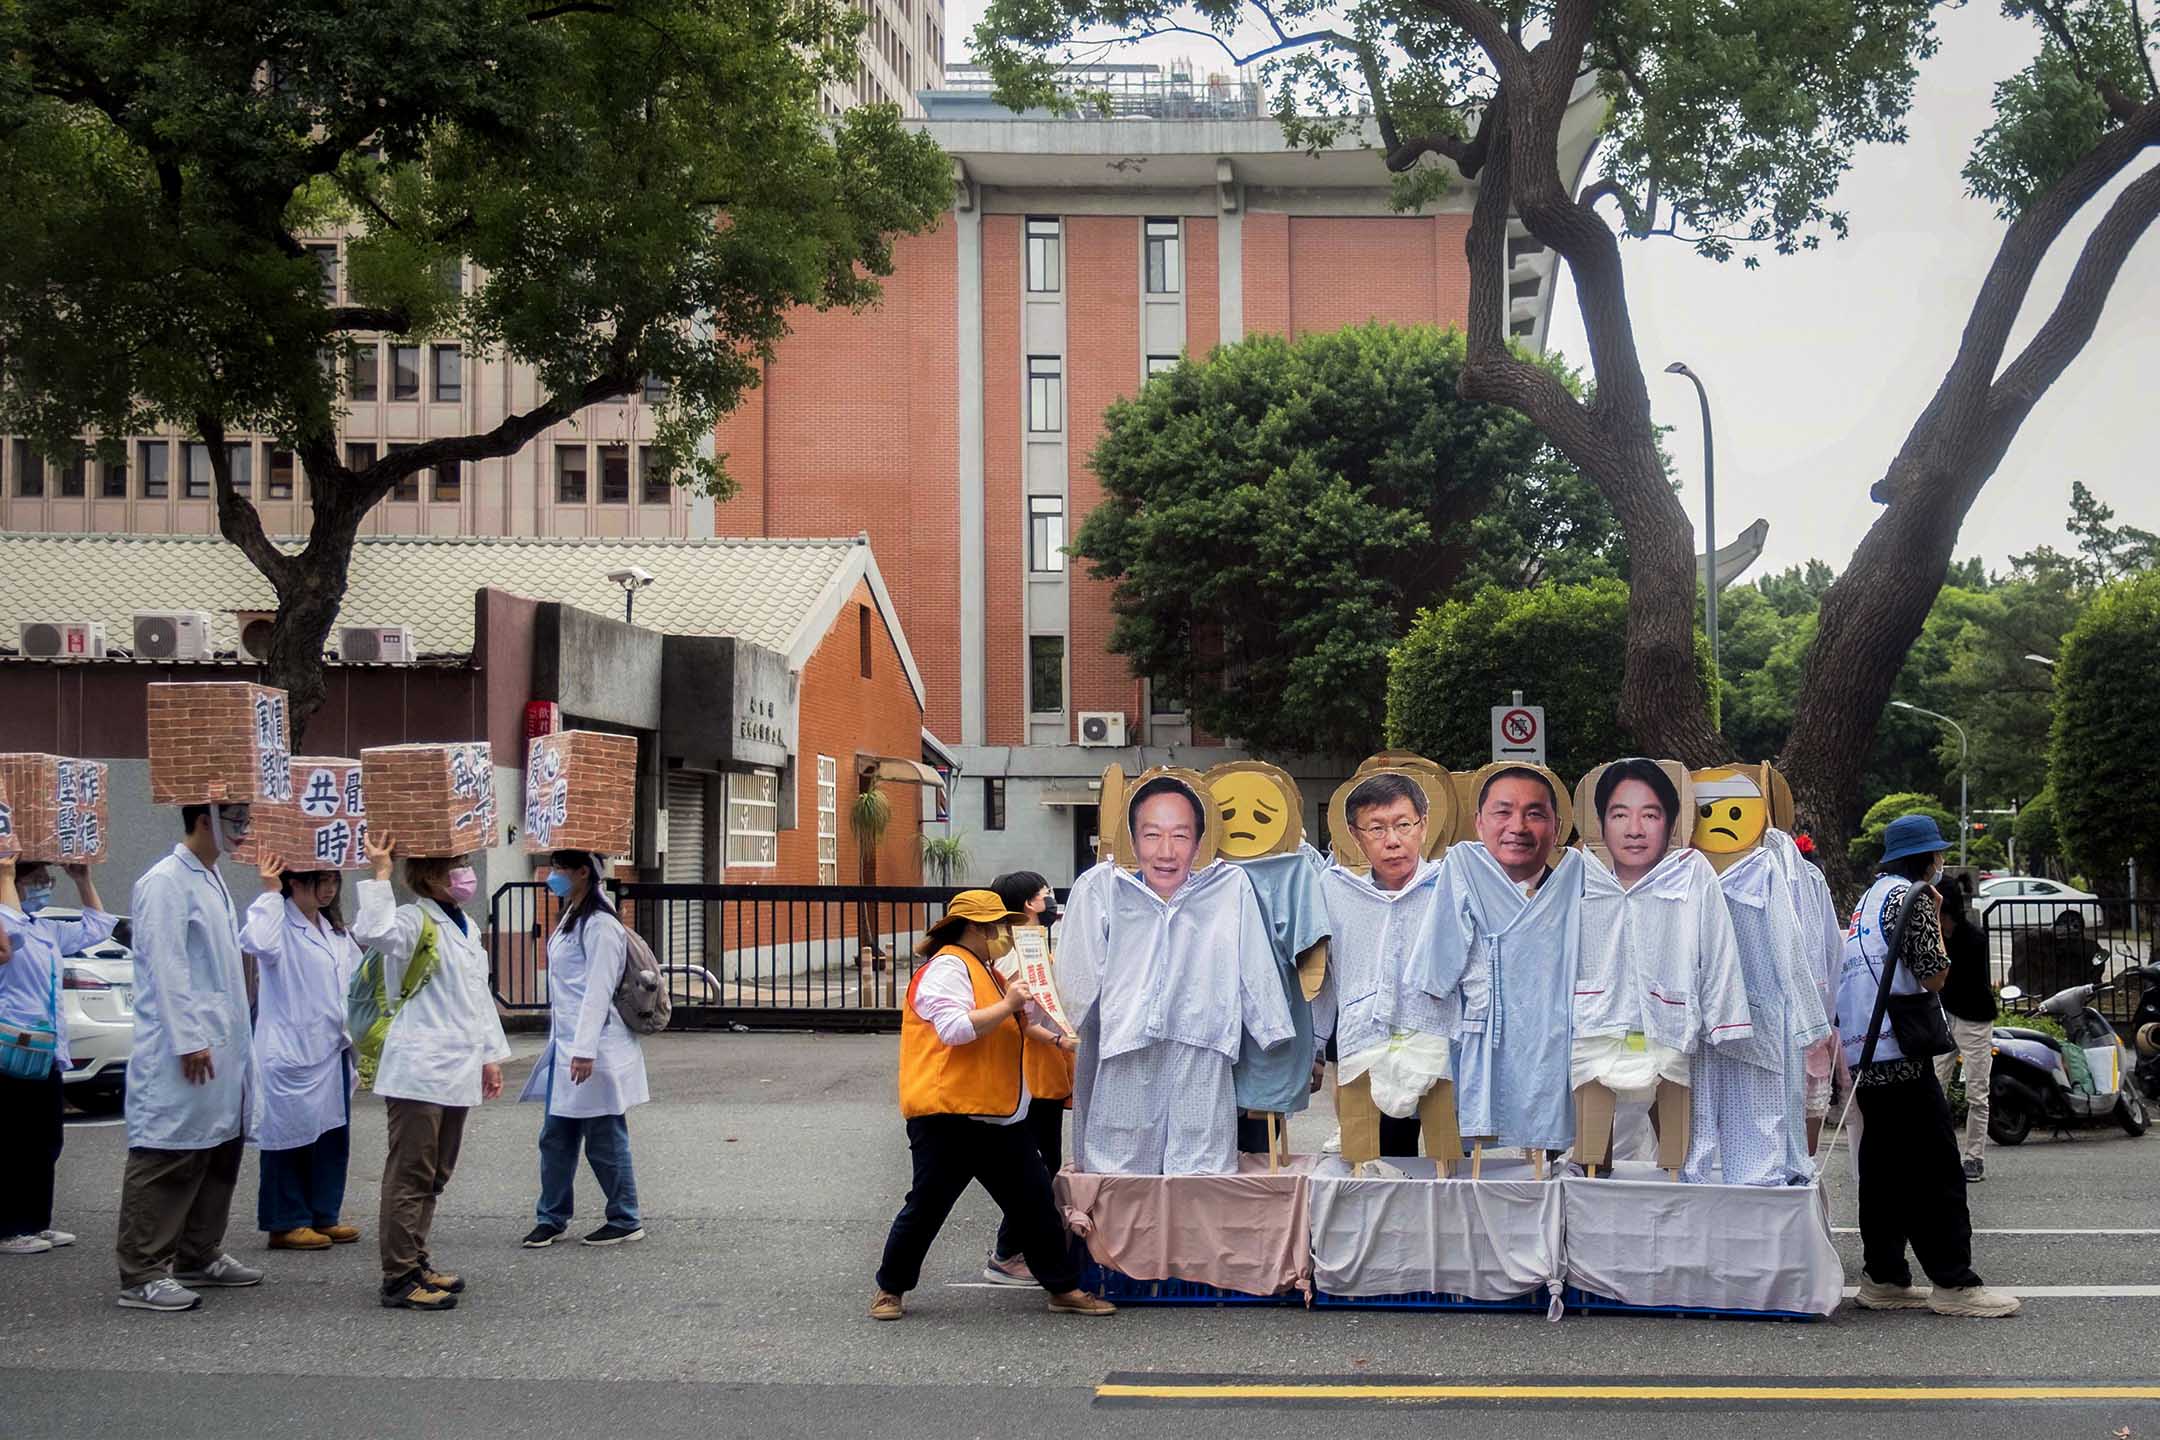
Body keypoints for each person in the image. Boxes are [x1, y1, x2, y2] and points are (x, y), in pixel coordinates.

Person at [871, 889, 1114, 1321]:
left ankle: (1062, 1288)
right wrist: (1008, 1005)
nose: (1005, 933)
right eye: (998, 926)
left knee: (1034, 1203)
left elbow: (1019, 1024)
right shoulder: (947, 968)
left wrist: (1050, 1025)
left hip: (998, 1113)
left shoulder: (987, 970)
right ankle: (890, 1288)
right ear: (976, 929)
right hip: (949, 1115)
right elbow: (955, 1029)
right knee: (928, 1205)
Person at [1057, 776, 1292, 1176]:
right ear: (1133, 841)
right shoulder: (1103, 888)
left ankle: (1193, 1239)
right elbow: (1077, 964)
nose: (1166, 851)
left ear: (1199, 843)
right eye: (1152, 835)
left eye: (1180, 836)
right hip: (1124, 1048)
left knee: (1200, 1171)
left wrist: (1270, 1027)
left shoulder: (1229, 888)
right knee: (1118, 1169)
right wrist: (1061, 1020)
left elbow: (1252, 959)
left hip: (1203, 1044)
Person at [1838, 813, 2019, 1318]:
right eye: (1938, 855)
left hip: (1865, 1050)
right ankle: (1954, 1284)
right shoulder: (1913, 898)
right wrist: (1938, 923)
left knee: (1883, 1168)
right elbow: (1934, 975)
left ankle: (1884, 1277)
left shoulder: (1868, 900)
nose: (1941, 863)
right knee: (1936, 1167)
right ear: (1927, 859)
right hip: (1903, 1047)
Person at [353, 832, 511, 1312]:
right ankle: (398, 1277)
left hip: (456, 1067)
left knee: (436, 1173)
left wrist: (489, 1055)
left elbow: (477, 997)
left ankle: (417, 1258)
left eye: (464, 861)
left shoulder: (464, 926)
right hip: (418, 1068)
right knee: (410, 1173)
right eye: (455, 864)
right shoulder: (411, 919)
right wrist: (380, 872)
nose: (466, 873)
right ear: (429, 875)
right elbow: (372, 931)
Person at [116, 803, 263, 1313]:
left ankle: (199, 1252)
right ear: (205, 819)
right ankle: (141, 1271)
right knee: (167, 1153)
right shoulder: (165, 881)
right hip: (186, 1046)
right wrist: (187, 1039)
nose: (244, 830)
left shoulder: (211, 877)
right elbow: (167, 965)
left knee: (218, 1149)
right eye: (236, 819)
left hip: (223, 1044)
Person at [1321, 771, 1457, 1168]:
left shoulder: (1451, 886)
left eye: (1403, 825)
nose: (1393, 840)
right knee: (1370, 1164)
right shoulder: (1335, 892)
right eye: (1376, 829)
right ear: (1354, 834)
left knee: (1444, 1165)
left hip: (1437, 1042)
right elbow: (1322, 974)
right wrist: (1314, 1048)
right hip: (1366, 1042)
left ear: (1424, 824)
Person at [519, 850, 648, 1249]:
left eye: (560, 868)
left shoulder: (601, 925)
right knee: (555, 1136)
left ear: (582, 873)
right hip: (568, 1045)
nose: (553, 874)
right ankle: (551, 1217)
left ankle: (625, 1216)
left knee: (604, 1137)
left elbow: (597, 991)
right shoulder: (572, 917)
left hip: (595, 1048)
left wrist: (585, 1050)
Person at [242, 852, 362, 1251]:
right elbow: (256, 941)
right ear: (295, 882)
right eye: (320, 879)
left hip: (331, 1050)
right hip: (291, 1050)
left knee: (331, 1136)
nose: (329, 888)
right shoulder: (279, 922)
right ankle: (285, 1220)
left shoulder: (333, 930)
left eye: (333, 879)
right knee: (289, 1137)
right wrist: (269, 892)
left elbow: (358, 980)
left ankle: (323, 1213)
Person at [0, 857, 115, 1255]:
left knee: (45, 1139)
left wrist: (83, 881)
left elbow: (97, 928)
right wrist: (6, 875)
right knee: (13, 1141)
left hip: (46, 1050)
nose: (45, 886)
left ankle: (36, 1221)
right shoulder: (7, 928)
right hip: (12, 1048)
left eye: (48, 880)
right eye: (36, 880)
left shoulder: (43, 928)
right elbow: (9, 927)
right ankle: (10, 1228)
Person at [981, 870, 1078, 1287]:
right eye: (1045, 895)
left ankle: (1021, 1248)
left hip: (1046, 1069)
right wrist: (1060, 1039)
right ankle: (1008, 1252)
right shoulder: (1016, 954)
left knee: (1042, 1164)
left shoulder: (1033, 946)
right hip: (1034, 1070)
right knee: (1037, 1168)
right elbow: (1025, 1019)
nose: (1051, 899)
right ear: (1027, 905)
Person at [1933, 875, 1997, 1183]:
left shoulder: (1973, 939)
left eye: (1939, 912)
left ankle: (1974, 1157)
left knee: (1977, 1091)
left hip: (1973, 1017)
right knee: (1934, 1085)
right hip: (1946, 1015)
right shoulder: (1934, 936)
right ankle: (1936, 1153)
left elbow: (1953, 981)